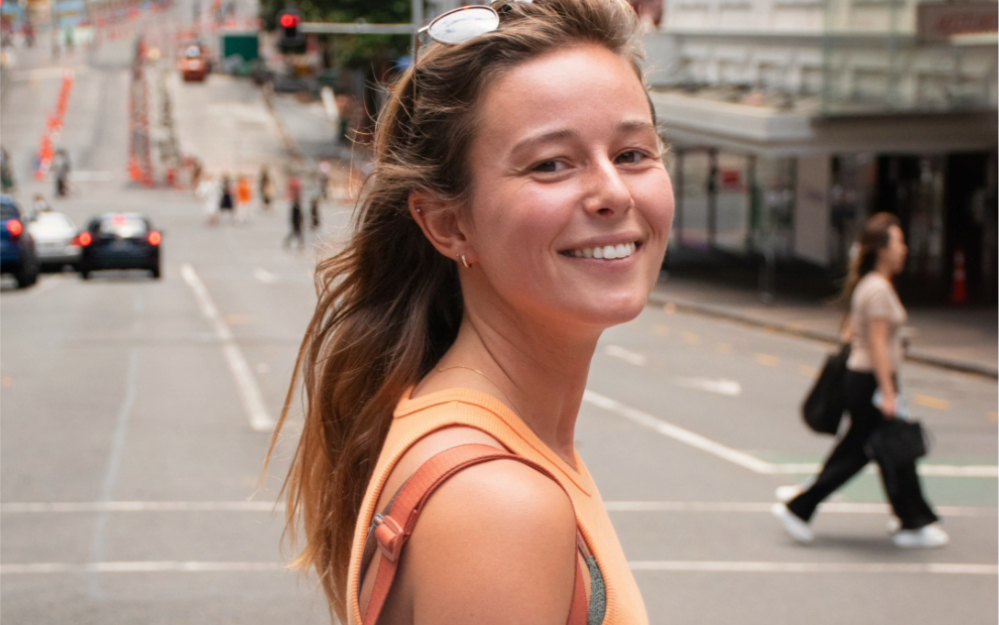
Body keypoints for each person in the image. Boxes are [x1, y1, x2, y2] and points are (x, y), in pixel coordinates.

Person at [264, 1, 672, 623]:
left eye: (633, 154)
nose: (613, 193)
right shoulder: (496, 501)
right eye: (551, 164)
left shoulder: (505, 445)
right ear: (448, 224)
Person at [773, 213, 948, 549]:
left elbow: (854, 334)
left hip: (866, 379)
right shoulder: (878, 289)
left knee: (878, 451)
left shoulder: (869, 284)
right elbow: (877, 345)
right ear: (882, 249)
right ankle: (802, 508)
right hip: (871, 381)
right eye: (898, 242)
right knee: (868, 452)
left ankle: (910, 519)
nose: (904, 249)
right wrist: (888, 391)